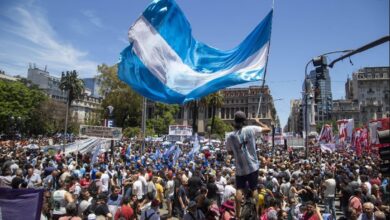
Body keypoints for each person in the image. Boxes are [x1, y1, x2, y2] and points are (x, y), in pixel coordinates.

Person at [226, 111, 270, 217]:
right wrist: (258, 122)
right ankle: (256, 210)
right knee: (254, 188)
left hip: (240, 168)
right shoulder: (250, 129)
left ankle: (237, 214)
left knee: (239, 189)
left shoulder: (230, 136)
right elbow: (268, 129)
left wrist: (237, 152)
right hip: (252, 166)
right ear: (244, 121)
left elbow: (229, 152)